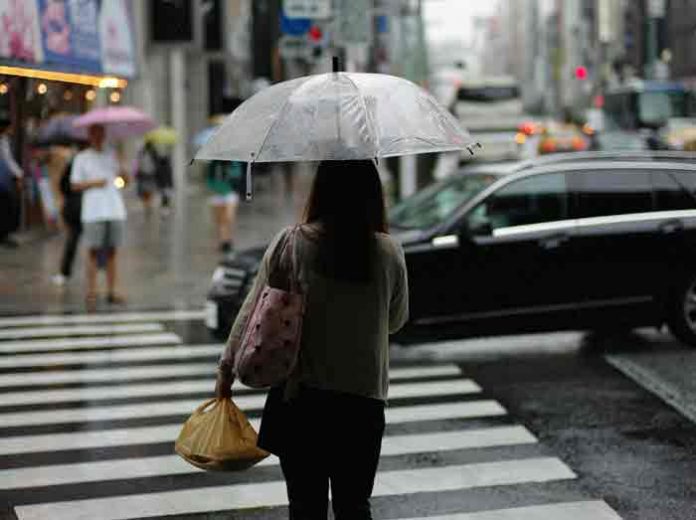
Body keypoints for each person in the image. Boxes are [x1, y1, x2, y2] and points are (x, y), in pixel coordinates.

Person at [215, 160, 409, 520]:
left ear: (320, 191)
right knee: (354, 506)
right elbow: (395, 321)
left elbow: (253, 309)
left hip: (301, 401)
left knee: (305, 508)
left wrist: (227, 368)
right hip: (361, 403)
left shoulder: (292, 242)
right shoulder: (388, 252)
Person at [70, 124, 128, 310]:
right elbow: (74, 185)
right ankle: (91, 291)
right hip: (93, 211)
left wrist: (123, 167)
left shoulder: (112, 155)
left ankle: (112, 290)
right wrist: (94, 183)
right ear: (89, 135)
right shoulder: (82, 158)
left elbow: (125, 181)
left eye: (101, 132)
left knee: (112, 251)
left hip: (114, 208)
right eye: (94, 132)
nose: (98, 136)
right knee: (93, 252)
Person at [52, 147, 83, 286]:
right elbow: (64, 185)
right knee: (76, 239)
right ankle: (64, 272)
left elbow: (63, 185)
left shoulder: (74, 161)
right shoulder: (75, 162)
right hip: (78, 207)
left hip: (77, 206)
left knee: (73, 239)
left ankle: (64, 272)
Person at [206, 160, 244, 253]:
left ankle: (229, 239)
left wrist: (229, 172)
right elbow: (209, 178)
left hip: (230, 194)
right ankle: (223, 242)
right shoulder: (213, 164)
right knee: (220, 221)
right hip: (216, 194)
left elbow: (238, 177)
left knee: (229, 218)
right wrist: (212, 187)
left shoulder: (234, 163)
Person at [0, 119, 23, 248]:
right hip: (2, 181)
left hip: (3, 180)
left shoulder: (4, 140)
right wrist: (20, 174)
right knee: (5, 205)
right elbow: (8, 160)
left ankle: (4, 235)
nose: (11, 130)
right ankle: (3, 235)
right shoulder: (3, 141)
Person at [134, 141, 158, 216]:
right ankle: (148, 204)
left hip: (144, 176)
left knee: (145, 192)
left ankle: (146, 204)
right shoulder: (153, 153)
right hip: (149, 176)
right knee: (149, 191)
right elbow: (156, 165)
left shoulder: (142, 153)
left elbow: (137, 164)